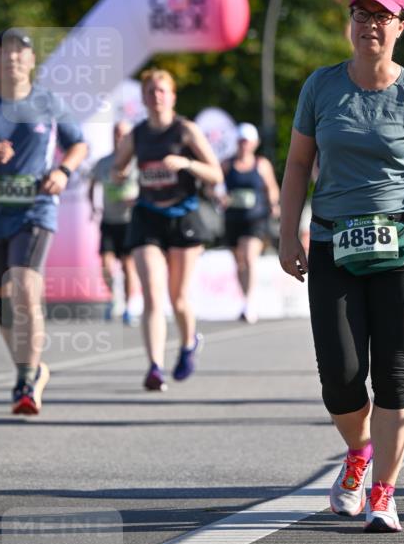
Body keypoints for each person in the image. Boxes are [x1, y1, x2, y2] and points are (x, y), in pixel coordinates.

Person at [279, 0, 404, 533]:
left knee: (393, 374)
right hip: (335, 239)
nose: (370, 24)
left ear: (400, 27)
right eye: (362, 14)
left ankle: (384, 489)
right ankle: (358, 452)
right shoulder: (321, 86)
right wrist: (288, 234)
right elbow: (295, 166)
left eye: (382, 16)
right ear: (352, 22)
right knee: (339, 374)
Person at [0, 28, 87, 414]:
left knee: (22, 285)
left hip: (35, 210)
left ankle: (24, 381)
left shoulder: (48, 101)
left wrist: (65, 172)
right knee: (4, 305)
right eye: (5, 51)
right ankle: (33, 369)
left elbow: (78, 143)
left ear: (31, 60)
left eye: (21, 52)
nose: (13, 58)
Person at [114, 69, 223, 391]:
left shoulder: (186, 130)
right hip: (147, 216)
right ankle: (154, 366)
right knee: (152, 294)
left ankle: (188, 342)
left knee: (177, 297)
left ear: (172, 96)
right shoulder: (137, 134)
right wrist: (119, 174)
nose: (156, 96)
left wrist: (186, 164)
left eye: (162, 90)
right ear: (144, 98)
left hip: (184, 216)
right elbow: (117, 167)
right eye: (150, 91)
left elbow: (215, 174)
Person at [223, 122, 280, 324]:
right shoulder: (227, 164)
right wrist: (219, 197)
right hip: (233, 218)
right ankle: (244, 299)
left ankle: (250, 302)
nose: (243, 145)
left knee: (249, 258)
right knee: (238, 262)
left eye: (246, 141)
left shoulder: (261, 164)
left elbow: (272, 188)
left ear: (254, 143)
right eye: (240, 141)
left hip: (255, 218)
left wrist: (274, 204)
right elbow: (215, 187)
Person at [88, 120, 141, 324]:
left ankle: (129, 306)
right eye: (116, 133)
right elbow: (92, 184)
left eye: (123, 134)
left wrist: (136, 201)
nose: (119, 138)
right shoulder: (103, 163)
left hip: (129, 221)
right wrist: (93, 206)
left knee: (128, 265)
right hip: (109, 220)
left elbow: (147, 186)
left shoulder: (137, 161)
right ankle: (114, 298)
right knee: (106, 264)